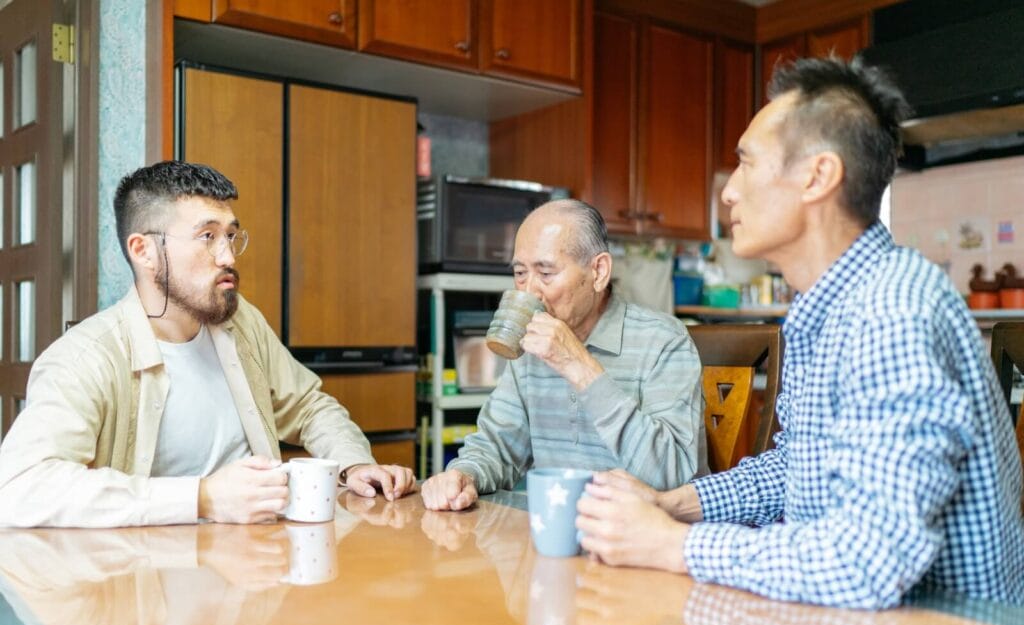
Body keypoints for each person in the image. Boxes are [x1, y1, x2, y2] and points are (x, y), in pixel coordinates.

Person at [576, 57, 1024, 609]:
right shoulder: (828, 305)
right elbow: (796, 467)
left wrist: (675, 545)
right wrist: (674, 505)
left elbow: (868, 561)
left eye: (746, 163)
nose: (728, 194)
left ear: (817, 176)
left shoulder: (891, 310)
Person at [0, 161, 415, 528]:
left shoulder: (241, 321)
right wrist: (203, 497)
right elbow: (20, 487)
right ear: (143, 250)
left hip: (255, 586)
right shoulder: (86, 357)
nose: (228, 257)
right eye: (207, 236)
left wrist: (353, 465)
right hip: (142, 595)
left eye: (231, 236)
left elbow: (308, 406)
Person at [421, 199, 707, 511]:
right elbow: (498, 448)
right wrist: (464, 475)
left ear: (598, 271)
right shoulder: (530, 343)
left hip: (641, 538)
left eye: (546, 273)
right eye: (519, 273)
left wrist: (578, 365)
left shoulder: (663, 340)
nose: (529, 291)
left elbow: (674, 475)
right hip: (554, 532)